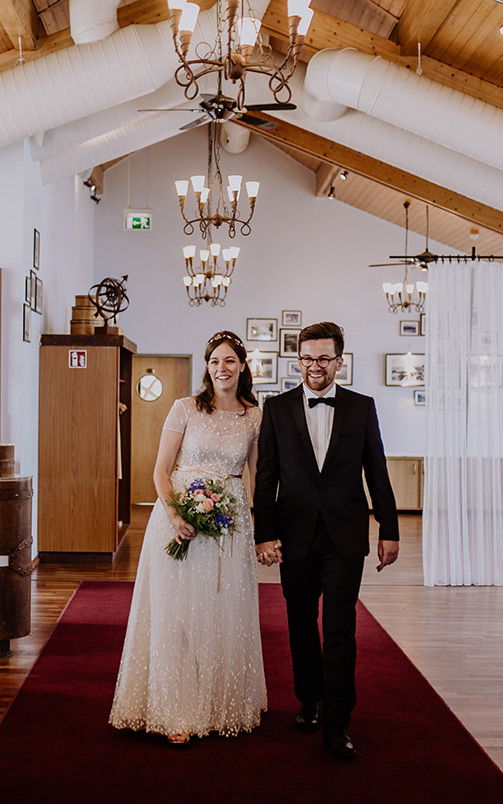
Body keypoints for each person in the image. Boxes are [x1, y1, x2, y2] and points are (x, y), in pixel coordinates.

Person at [110, 331, 266, 743]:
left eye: (230, 360)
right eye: (215, 361)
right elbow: (161, 470)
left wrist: (259, 529)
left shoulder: (254, 416)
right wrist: (177, 515)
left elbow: (258, 477)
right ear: (207, 366)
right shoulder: (184, 408)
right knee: (177, 612)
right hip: (179, 517)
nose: (222, 368)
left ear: (243, 365)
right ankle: (175, 708)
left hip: (230, 521)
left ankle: (218, 704)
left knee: (222, 610)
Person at [254, 321, 399, 761]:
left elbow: (377, 470)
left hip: (345, 536)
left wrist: (389, 529)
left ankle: (338, 722)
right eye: (307, 358)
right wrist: (265, 534)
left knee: (340, 629)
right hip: (293, 536)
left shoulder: (361, 407)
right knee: (299, 624)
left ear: (340, 361)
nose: (315, 366)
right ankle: (309, 699)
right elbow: (266, 479)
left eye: (324, 358)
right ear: (297, 360)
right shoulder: (276, 409)